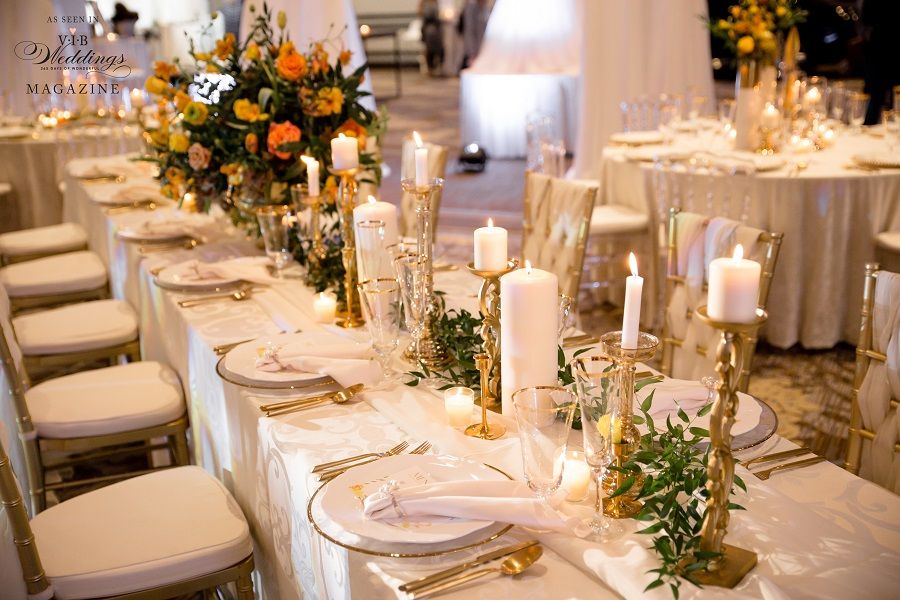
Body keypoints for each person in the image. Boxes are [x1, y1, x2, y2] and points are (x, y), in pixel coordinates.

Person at [862, 0, 900, 124]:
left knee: (875, 96)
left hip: (878, 47)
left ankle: (872, 124)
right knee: (877, 96)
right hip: (880, 48)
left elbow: (866, 22)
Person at [460, 0, 491, 69]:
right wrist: (471, 53)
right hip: (474, 52)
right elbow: (469, 30)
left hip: (484, 50)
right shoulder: (471, 6)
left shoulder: (486, 8)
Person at [419, 0, 444, 76]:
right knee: (430, 49)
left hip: (436, 29)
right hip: (429, 29)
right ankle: (431, 68)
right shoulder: (424, 3)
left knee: (439, 49)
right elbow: (425, 15)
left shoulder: (436, 3)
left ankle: (437, 67)